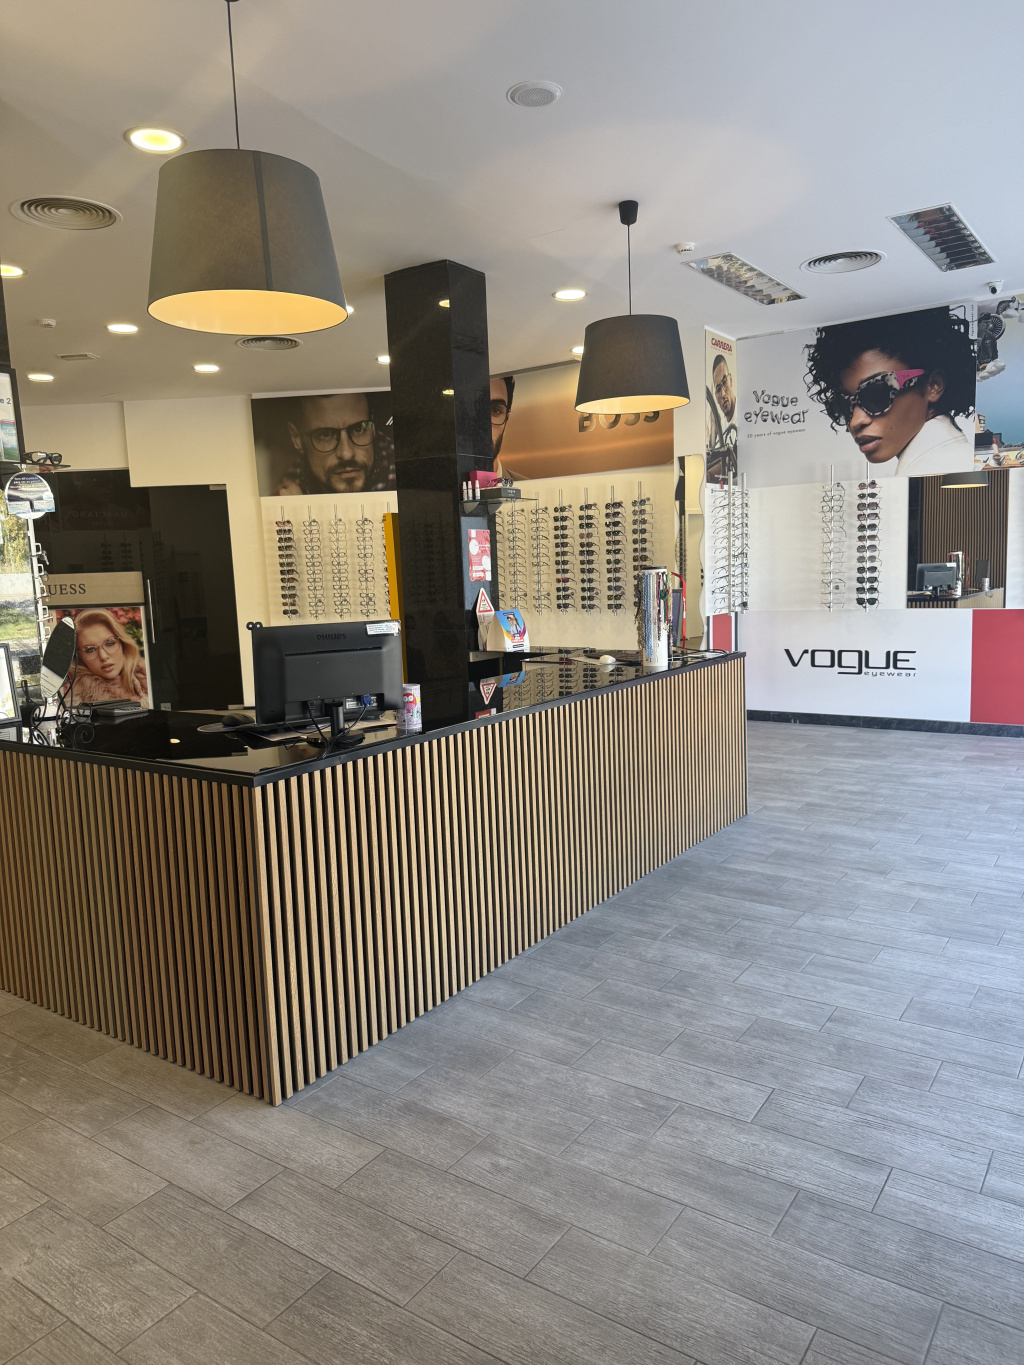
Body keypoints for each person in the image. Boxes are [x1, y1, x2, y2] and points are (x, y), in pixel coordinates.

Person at [804, 307, 976, 475]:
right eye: (842, 405)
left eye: (876, 395)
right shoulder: (960, 461)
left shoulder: (935, 472)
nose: (856, 422)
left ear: (933, 386)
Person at [278, 392, 380, 495]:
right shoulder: (287, 489)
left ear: (373, 430)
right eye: (326, 434)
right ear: (297, 439)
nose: (346, 454)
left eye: (358, 429)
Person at [65, 608, 149, 704]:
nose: (103, 656)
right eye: (90, 649)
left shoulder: (149, 678)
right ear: (80, 657)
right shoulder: (76, 703)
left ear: (123, 643)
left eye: (110, 643)